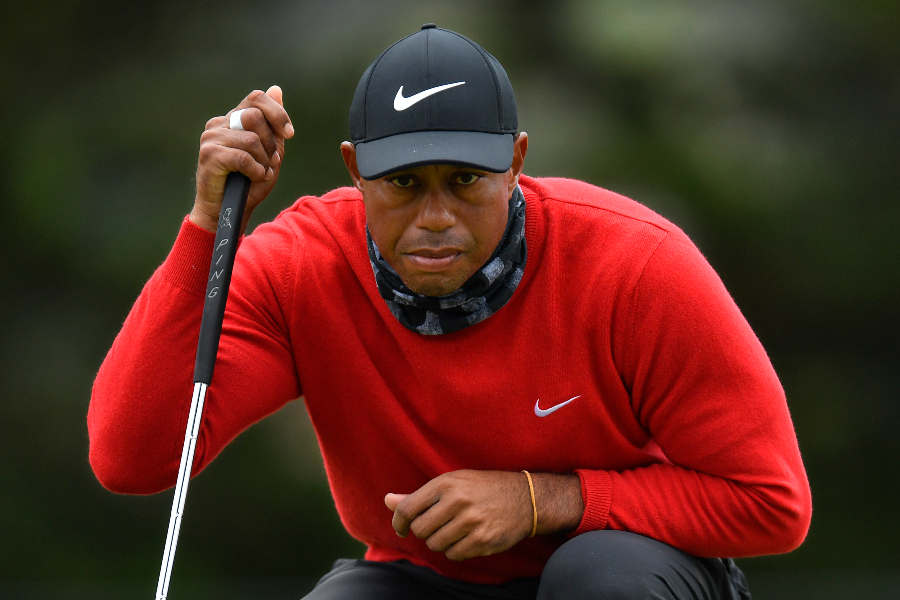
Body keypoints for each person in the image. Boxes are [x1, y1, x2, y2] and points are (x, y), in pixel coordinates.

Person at [88, 25, 811, 599]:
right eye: (403, 183)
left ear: (517, 162)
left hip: (633, 570)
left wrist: (542, 501)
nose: (436, 218)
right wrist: (209, 226)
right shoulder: (300, 265)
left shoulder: (636, 264)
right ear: (354, 170)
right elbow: (133, 458)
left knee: (598, 578)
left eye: (465, 180)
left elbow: (772, 504)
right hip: (424, 578)